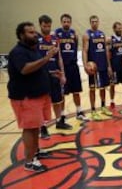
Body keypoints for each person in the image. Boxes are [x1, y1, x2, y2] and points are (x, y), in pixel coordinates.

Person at [8, 22, 58, 172]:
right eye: (30, 32)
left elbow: (37, 69)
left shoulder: (32, 49)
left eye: (34, 31)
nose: (35, 34)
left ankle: (35, 151)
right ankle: (29, 161)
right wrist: (46, 58)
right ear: (22, 35)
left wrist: (50, 74)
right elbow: (25, 69)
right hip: (25, 97)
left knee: (35, 126)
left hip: (38, 95)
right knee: (29, 129)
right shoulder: (18, 52)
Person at [36, 15, 72, 140]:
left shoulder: (55, 39)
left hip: (55, 73)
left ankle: (59, 122)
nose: (47, 28)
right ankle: (43, 127)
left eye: (49, 26)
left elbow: (60, 57)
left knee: (57, 100)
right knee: (43, 102)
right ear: (40, 25)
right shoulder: (36, 39)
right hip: (42, 75)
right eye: (44, 26)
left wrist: (63, 73)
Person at [55, 14, 89, 122]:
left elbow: (76, 46)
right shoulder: (56, 33)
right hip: (62, 67)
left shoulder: (74, 33)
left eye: (68, 21)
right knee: (63, 93)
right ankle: (63, 115)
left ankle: (79, 111)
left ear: (70, 22)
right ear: (61, 22)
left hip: (73, 66)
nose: (66, 23)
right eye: (64, 21)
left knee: (76, 91)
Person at [82, 15, 113, 120]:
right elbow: (84, 51)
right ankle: (93, 110)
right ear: (90, 23)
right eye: (92, 22)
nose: (94, 23)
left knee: (103, 87)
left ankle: (103, 107)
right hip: (93, 67)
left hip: (103, 65)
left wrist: (108, 66)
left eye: (96, 21)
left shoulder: (102, 34)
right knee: (92, 89)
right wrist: (85, 64)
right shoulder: (87, 35)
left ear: (98, 22)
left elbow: (105, 51)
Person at [107, 22, 122, 111]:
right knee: (112, 85)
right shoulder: (110, 39)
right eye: (118, 28)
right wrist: (109, 67)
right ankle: (112, 102)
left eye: (121, 28)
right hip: (114, 66)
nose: (120, 29)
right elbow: (108, 55)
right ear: (114, 29)